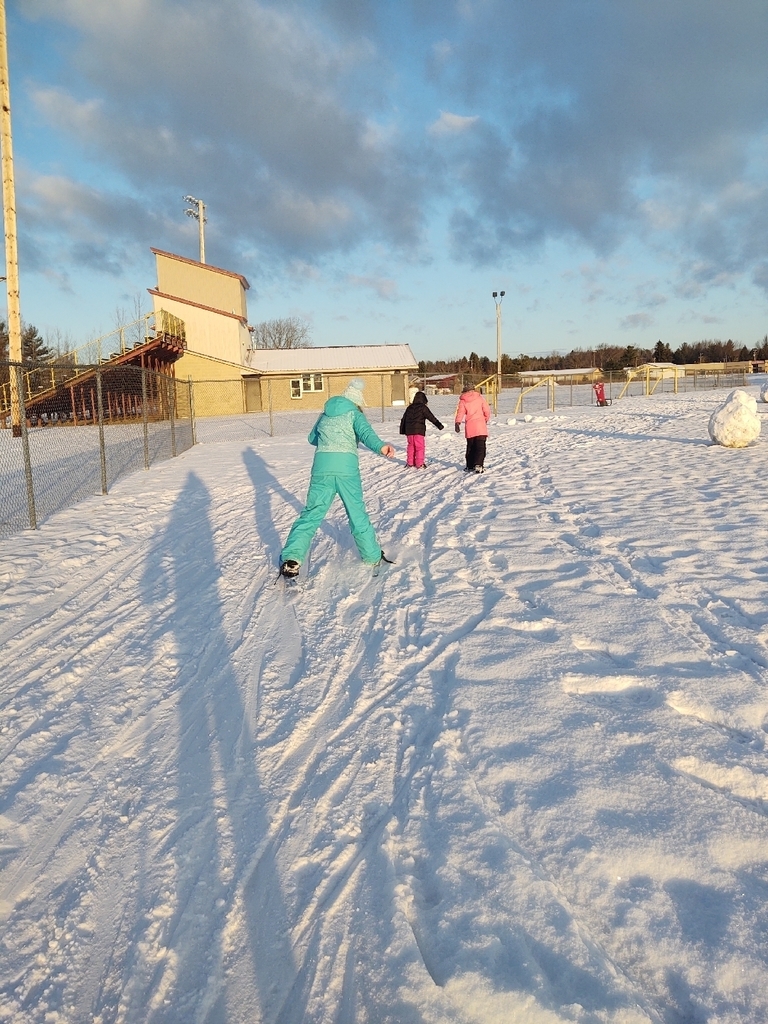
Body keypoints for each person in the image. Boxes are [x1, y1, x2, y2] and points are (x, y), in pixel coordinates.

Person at [279, 378, 395, 578]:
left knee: (312, 513)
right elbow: (366, 434)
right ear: (357, 401)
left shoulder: (325, 414)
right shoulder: (354, 414)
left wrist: (329, 437)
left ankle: (292, 558)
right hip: (346, 469)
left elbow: (312, 438)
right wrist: (381, 447)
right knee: (356, 513)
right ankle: (372, 556)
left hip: (322, 468)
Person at [399, 390, 444, 467]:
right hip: (419, 431)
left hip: (409, 431)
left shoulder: (409, 407)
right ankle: (419, 464)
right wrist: (439, 425)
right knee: (419, 447)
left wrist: (402, 430)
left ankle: (410, 463)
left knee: (411, 446)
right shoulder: (423, 408)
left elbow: (404, 419)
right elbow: (431, 417)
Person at [454, 383, 491, 473]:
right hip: (480, 427)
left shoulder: (463, 401)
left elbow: (460, 412)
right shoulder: (480, 398)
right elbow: (487, 410)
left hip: (470, 427)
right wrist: (485, 419)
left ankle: (469, 465)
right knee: (480, 447)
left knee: (470, 447)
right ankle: (478, 464)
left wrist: (457, 422)